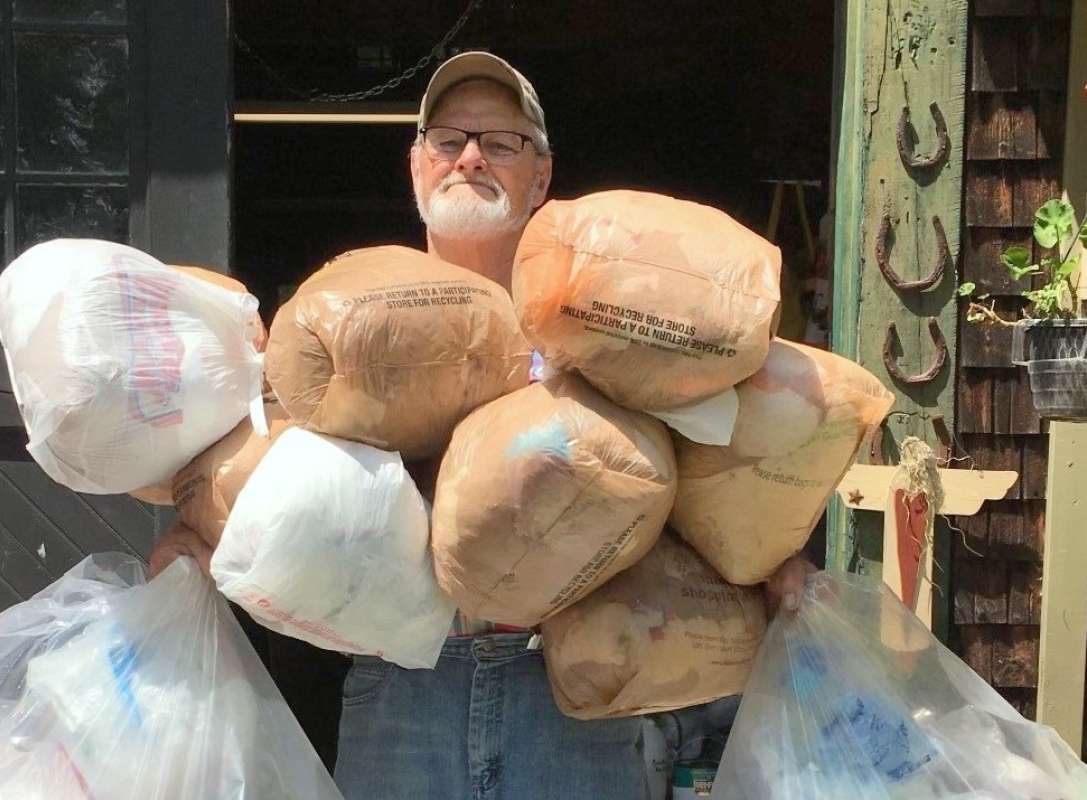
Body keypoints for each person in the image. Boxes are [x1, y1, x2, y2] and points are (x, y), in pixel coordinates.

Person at [150, 50, 815, 799]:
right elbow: (274, 464)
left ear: (541, 178)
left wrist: (769, 570)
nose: (469, 158)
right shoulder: (351, 310)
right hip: (402, 692)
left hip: (568, 699)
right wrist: (201, 533)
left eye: (500, 142)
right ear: (415, 168)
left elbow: (697, 483)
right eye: (447, 140)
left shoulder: (604, 322)